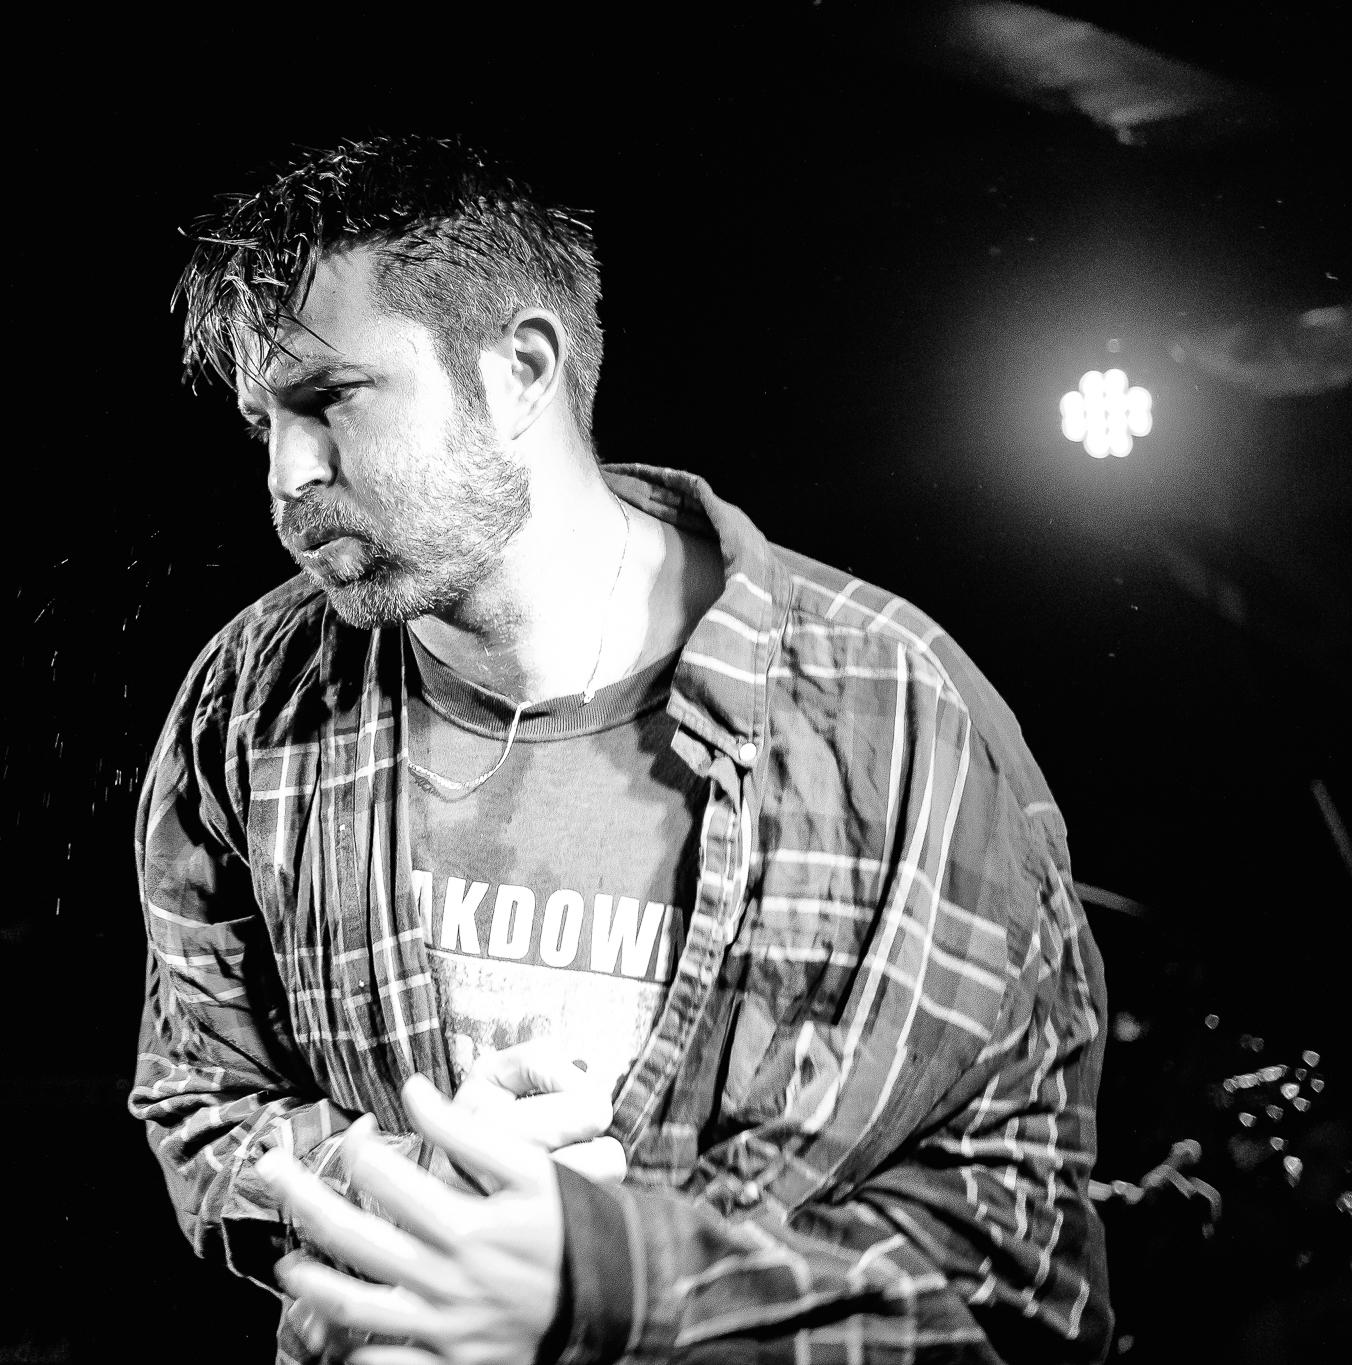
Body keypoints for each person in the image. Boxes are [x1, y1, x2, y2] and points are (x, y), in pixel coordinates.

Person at [130, 135, 1109, 1364]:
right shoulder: (250, 700)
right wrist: (407, 1186)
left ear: (519, 370)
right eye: (262, 420)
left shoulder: (898, 720)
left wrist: (608, 1283)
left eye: (328, 400)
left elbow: (1020, 1277)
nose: (286, 473)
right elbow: (198, 1099)